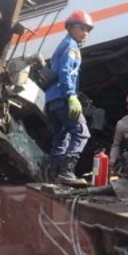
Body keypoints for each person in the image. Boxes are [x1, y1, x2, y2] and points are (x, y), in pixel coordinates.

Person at [45, 10, 93, 186]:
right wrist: (72, 96)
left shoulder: (64, 44)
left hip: (53, 100)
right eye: (82, 28)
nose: (85, 33)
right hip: (63, 97)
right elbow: (65, 72)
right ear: (71, 27)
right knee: (82, 133)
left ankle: (53, 175)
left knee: (61, 138)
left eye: (88, 30)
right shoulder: (71, 46)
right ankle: (67, 172)